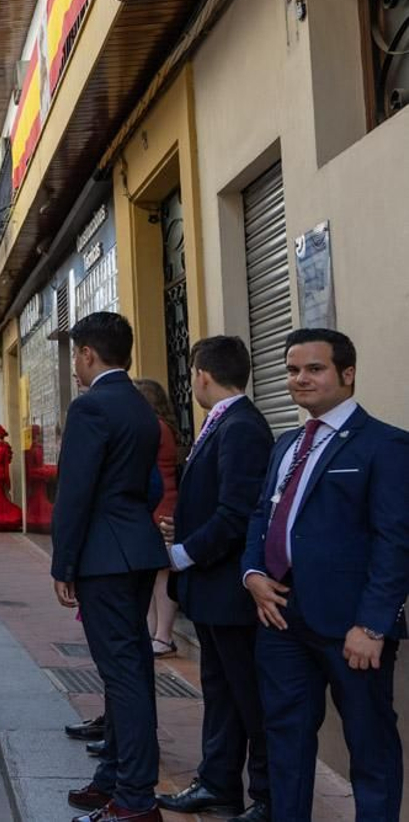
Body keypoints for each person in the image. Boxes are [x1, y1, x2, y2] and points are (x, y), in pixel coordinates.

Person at [241, 328, 409, 822]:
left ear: (347, 374)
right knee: (285, 740)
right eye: (292, 370)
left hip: (351, 627)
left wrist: (373, 625)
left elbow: (396, 541)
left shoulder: (386, 445)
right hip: (281, 619)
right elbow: (261, 515)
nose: (300, 379)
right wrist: (252, 572)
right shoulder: (287, 444)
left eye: (314, 369)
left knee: (370, 745)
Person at [152, 337, 273, 822]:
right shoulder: (222, 422)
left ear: (201, 374)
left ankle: (265, 795)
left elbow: (237, 512)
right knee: (221, 691)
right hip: (211, 589)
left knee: (247, 696)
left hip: (229, 589)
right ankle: (218, 782)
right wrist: (182, 527)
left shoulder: (241, 427)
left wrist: (185, 552)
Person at [54, 311, 168, 822]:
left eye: (76, 356)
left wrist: (63, 563)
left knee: (122, 675)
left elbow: (74, 492)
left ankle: (135, 797)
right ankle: (114, 778)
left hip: (104, 556)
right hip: (137, 549)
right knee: (132, 667)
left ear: (86, 353)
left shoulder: (91, 407)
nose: (75, 366)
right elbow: (151, 486)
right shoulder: (141, 406)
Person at [135, 379, 183, 659]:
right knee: (154, 575)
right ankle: (155, 633)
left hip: (161, 506)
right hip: (162, 504)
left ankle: (163, 635)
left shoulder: (155, 427)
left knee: (162, 575)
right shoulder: (162, 426)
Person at [24, 425, 56, 532]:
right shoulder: (32, 449)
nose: (39, 436)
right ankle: (38, 521)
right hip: (37, 477)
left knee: (39, 497)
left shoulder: (35, 448)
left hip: (39, 477)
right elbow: (31, 467)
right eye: (38, 434)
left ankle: (37, 520)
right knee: (38, 498)